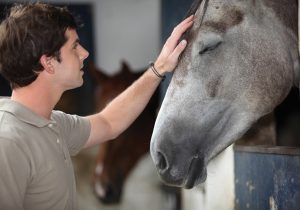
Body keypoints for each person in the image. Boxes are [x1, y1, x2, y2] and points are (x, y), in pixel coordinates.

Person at [0, 2, 193, 210]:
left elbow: (108, 122)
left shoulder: (52, 123)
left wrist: (160, 67)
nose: (84, 53)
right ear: (48, 63)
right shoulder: (8, 141)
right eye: (74, 46)